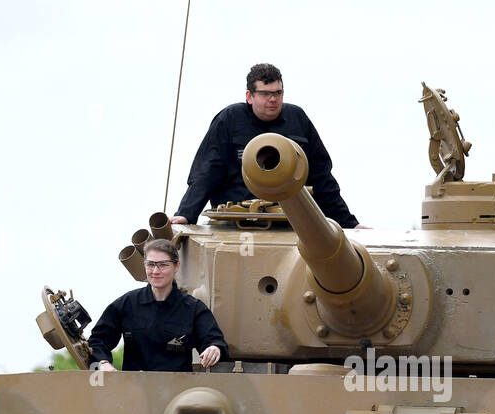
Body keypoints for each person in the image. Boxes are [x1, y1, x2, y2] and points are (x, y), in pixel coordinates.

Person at [170, 62, 359, 229]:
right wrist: (186, 213)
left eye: (278, 93)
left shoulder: (297, 119)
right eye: (266, 94)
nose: (273, 99)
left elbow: (320, 176)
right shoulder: (230, 120)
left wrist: (348, 223)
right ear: (249, 96)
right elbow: (207, 170)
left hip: (292, 223)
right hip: (236, 224)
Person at [87, 239, 227, 372]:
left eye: (163, 265)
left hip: (179, 392)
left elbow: (213, 340)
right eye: (151, 264)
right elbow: (98, 340)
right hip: (134, 389)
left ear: (176, 266)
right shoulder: (127, 304)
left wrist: (214, 348)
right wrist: (103, 363)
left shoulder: (193, 308)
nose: (155, 271)